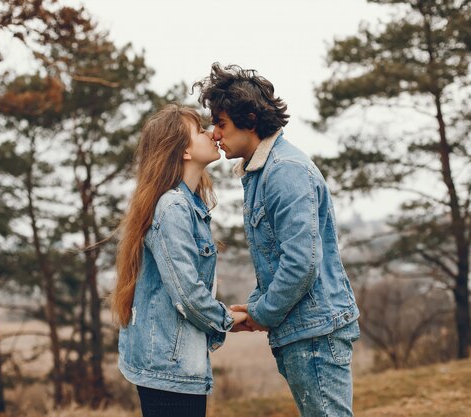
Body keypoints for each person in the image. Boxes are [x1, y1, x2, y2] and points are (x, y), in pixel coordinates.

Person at [194, 64, 361, 417]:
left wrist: (262, 313)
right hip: (304, 330)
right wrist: (254, 306)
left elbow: (301, 264)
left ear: (250, 120)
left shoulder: (284, 172)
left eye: (221, 123)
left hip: (315, 332)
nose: (215, 134)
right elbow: (276, 260)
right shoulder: (262, 173)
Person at [112, 104, 248, 417]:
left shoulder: (188, 206)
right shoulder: (173, 207)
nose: (212, 134)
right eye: (200, 131)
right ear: (184, 151)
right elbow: (187, 294)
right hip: (167, 367)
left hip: (173, 364)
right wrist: (229, 319)